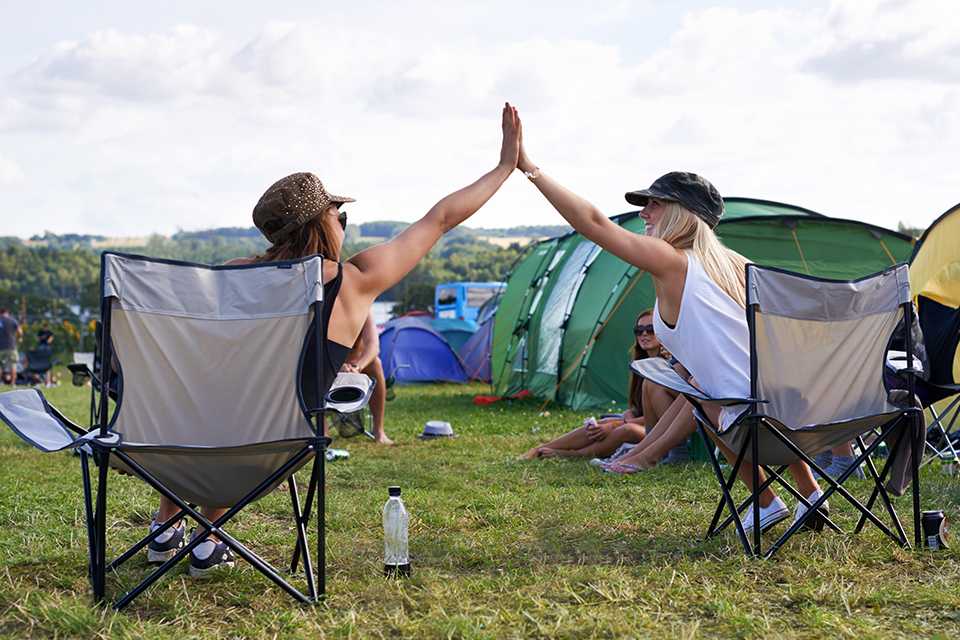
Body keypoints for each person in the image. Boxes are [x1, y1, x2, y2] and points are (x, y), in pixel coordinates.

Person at [147, 103, 522, 577]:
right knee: (239, 411)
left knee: (209, 396)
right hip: (274, 451)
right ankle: (207, 538)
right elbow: (440, 220)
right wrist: (505, 166)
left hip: (170, 449)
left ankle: (167, 527)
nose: (342, 220)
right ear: (323, 222)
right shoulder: (353, 281)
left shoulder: (226, 279)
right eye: (337, 212)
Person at [515, 120, 826, 535]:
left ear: (682, 214)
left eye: (655, 204)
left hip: (746, 418)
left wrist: (529, 168)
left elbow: (593, 222)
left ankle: (767, 501)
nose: (644, 212)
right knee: (720, 386)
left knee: (704, 394)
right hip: (811, 411)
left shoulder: (671, 260)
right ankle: (811, 495)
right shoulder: (736, 266)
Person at [520, 309, 663, 460]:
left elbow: (662, 417)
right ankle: (542, 448)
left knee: (626, 429)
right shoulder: (639, 365)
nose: (644, 334)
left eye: (651, 329)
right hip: (643, 424)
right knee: (603, 424)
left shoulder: (667, 366)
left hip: (661, 431)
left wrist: (617, 424)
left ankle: (575, 455)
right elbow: (636, 408)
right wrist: (625, 416)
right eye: (639, 330)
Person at [341, 312, 393, 444]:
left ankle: (379, 431)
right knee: (318, 368)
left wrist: (357, 367)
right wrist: (338, 366)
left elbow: (373, 346)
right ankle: (323, 432)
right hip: (328, 364)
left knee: (376, 364)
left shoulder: (363, 308)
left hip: (355, 363)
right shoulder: (323, 307)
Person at [0, 308, 22, 386]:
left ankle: (0, 382)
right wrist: (19, 338)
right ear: (7, 313)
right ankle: (13, 383)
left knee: (0, 366)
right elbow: (20, 331)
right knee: (13, 364)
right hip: (11, 346)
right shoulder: (12, 320)